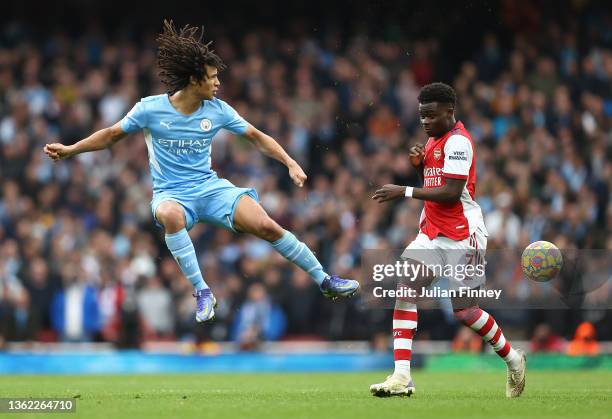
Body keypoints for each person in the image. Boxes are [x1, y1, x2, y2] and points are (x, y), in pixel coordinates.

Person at [43, 20, 359, 324]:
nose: (218, 83)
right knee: (169, 215)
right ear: (195, 80)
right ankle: (202, 291)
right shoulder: (150, 108)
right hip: (171, 194)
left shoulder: (218, 110)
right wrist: (72, 150)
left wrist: (289, 162)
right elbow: (111, 135)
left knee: (266, 225)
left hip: (210, 189)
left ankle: (325, 280)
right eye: (212, 77)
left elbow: (256, 137)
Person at [370, 82, 526, 398]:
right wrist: (420, 169)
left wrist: (404, 190)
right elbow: (435, 183)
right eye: (422, 116)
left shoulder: (459, 142)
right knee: (405, 289)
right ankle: (402, 376)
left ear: (449, 111)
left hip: (464, 236)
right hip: (430, 233)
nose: (425, 122)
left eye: (431, 115)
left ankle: (513, 359)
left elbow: (452, 193)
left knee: (465, 312)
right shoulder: (433, 142)